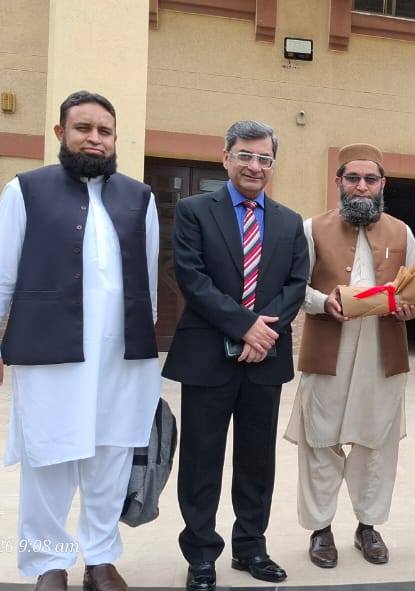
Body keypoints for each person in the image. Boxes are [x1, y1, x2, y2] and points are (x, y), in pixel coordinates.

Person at [0, 90, 160, 591]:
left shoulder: (139, 197)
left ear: (115, 138)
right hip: (48, 350)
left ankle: (100, 559)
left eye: (105, 131)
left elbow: (147, 280)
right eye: (83, 128)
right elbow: (0, 271)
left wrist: (145, 348)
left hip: (121, 356)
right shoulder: (25, 190)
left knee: (111, 458)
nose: (94, 138)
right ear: (61, 132)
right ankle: (47, 564)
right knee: (49, 457)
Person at [162, 121, 309, 591]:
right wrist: (244, 325)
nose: (254, 166)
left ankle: (251, 547)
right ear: (225, 157)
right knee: (201, 460)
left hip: (265, 359)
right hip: (206, 357)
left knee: (256, 461)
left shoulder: (289, 221)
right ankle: (201, 554)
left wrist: (262, 333)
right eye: (245, 155)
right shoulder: (194, 211)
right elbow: (190, 276)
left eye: (264, 158)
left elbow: (296, 284)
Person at [282, 143, 415, 568]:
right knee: (319, 440)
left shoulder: (402, 232)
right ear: (339, 182)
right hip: (329, 346)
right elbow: (293, 287)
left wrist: (414, 307)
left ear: (383, 185)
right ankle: (320, 530)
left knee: (376, 443)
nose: (362, 186)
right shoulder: (311, 228)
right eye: (353, 178)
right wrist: (322, 302)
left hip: (383, 351)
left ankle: (368, 527)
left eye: (370, 179)